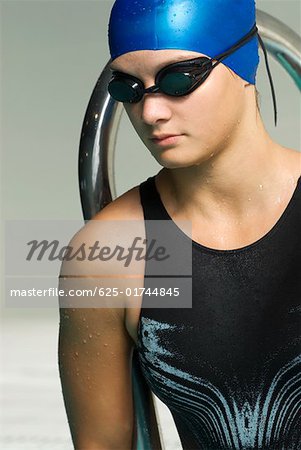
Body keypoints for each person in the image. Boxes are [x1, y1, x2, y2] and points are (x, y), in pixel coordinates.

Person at [58, 0, 301, 449]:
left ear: (245, 62)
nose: (151, 113)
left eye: (178, 79)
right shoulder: (114, 254)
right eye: (130, 89)